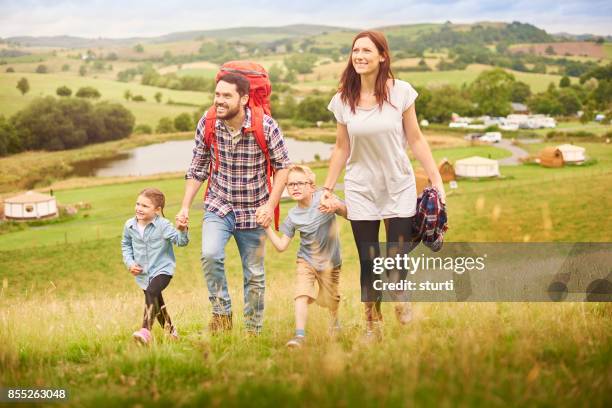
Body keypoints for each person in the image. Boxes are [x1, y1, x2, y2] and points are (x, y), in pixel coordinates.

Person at [320, 30, 446, 341]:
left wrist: (436, 179)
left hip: (398, 185)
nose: (359, 56)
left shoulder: (401, 93)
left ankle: (400, 295)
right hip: (361, 189)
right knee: (369, 261)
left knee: (396, 257)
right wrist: (327, 187)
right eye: (355, 51)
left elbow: (415, 139)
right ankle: (371, 326)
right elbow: (341, 148)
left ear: (382, 56)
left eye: (366, 50)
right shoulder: (343, 101)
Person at [177, 73, 291, 335]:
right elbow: (197, 167)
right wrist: (185, 206)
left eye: (226, 96)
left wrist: (270, 205)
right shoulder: (208, 123)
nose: (219, 101)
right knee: (210, 254)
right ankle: (221, 315)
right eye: (217, 94)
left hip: (254, 210)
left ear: (244, 98)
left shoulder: (267, 127)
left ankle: (253, 331)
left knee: (254, 275)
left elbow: (283, 168)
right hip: (220, 205)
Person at [264, 165, 347, 348]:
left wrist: (337, 206)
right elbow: (281, 246)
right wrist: (266, 227)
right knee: (301, 294)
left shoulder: (324, 198)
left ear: (311, 186)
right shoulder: (292, 216)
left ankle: (334, 323)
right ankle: (299, 337)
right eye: (290, 184)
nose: (294, 187)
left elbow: (349, 213)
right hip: (306, 261)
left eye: (299, 183)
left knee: (330, 300)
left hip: (330, 263)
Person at [121, 187, 189, 345]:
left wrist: (182, 229)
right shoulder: (129, 225)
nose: (139, 208)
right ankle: (171, 332)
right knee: (157, 302)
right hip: (143, 273)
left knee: (151, 292)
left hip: (162, 270)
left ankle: (145, 331)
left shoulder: (163, 225)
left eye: (145, 206)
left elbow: (181, 241)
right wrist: (130, 263)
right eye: (138, 204)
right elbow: (126, 245)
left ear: (157, 210)